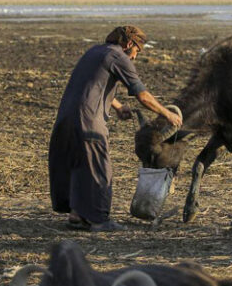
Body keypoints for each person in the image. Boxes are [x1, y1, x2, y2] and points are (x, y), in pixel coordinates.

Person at [49, 25, 182, 232]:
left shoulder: (95, 51)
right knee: (101, 169)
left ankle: (77, 215)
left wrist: (118, 106)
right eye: (137, 51)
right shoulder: (118, 56)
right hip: (88, 121)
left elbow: (93, 85)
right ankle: (100, 220)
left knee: (80, 166)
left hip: (66, 117)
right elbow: (142, 95)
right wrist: (168, 114)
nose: (135, 57)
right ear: (129, 44)